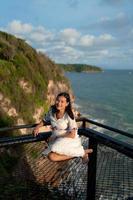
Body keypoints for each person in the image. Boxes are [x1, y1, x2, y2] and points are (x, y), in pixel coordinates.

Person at [33, 92, 93, 163]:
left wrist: (57, 135)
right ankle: (82, 153)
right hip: (57, 138)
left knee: (51, 156)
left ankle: (81, 153)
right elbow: (44, 120)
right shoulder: (52, 110)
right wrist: (37, 127)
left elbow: (72, 135)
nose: (59, 103)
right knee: (51, 156)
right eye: (57, 100)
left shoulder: (69, 115)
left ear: (67, 104)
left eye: (62, 102)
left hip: (68, 139)